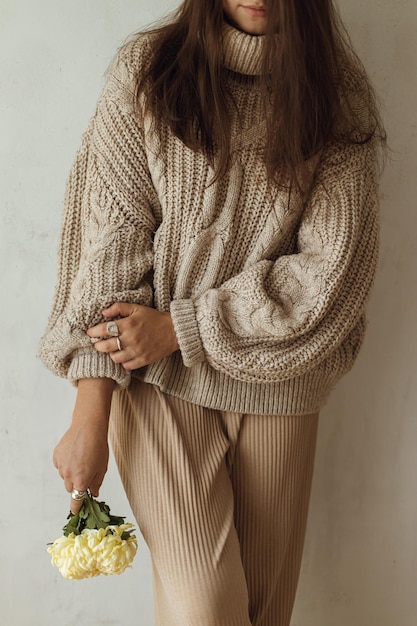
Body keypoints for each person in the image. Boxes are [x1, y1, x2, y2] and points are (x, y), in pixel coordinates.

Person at [40, 1, 385, 624]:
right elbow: (108, 250)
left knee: (262, 615)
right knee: (209, 612)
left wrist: (184, 327)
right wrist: (90, 411)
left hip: (281, 389)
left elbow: (331, 276)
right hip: (157, 388)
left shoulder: (335, 94)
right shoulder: (150, 70)